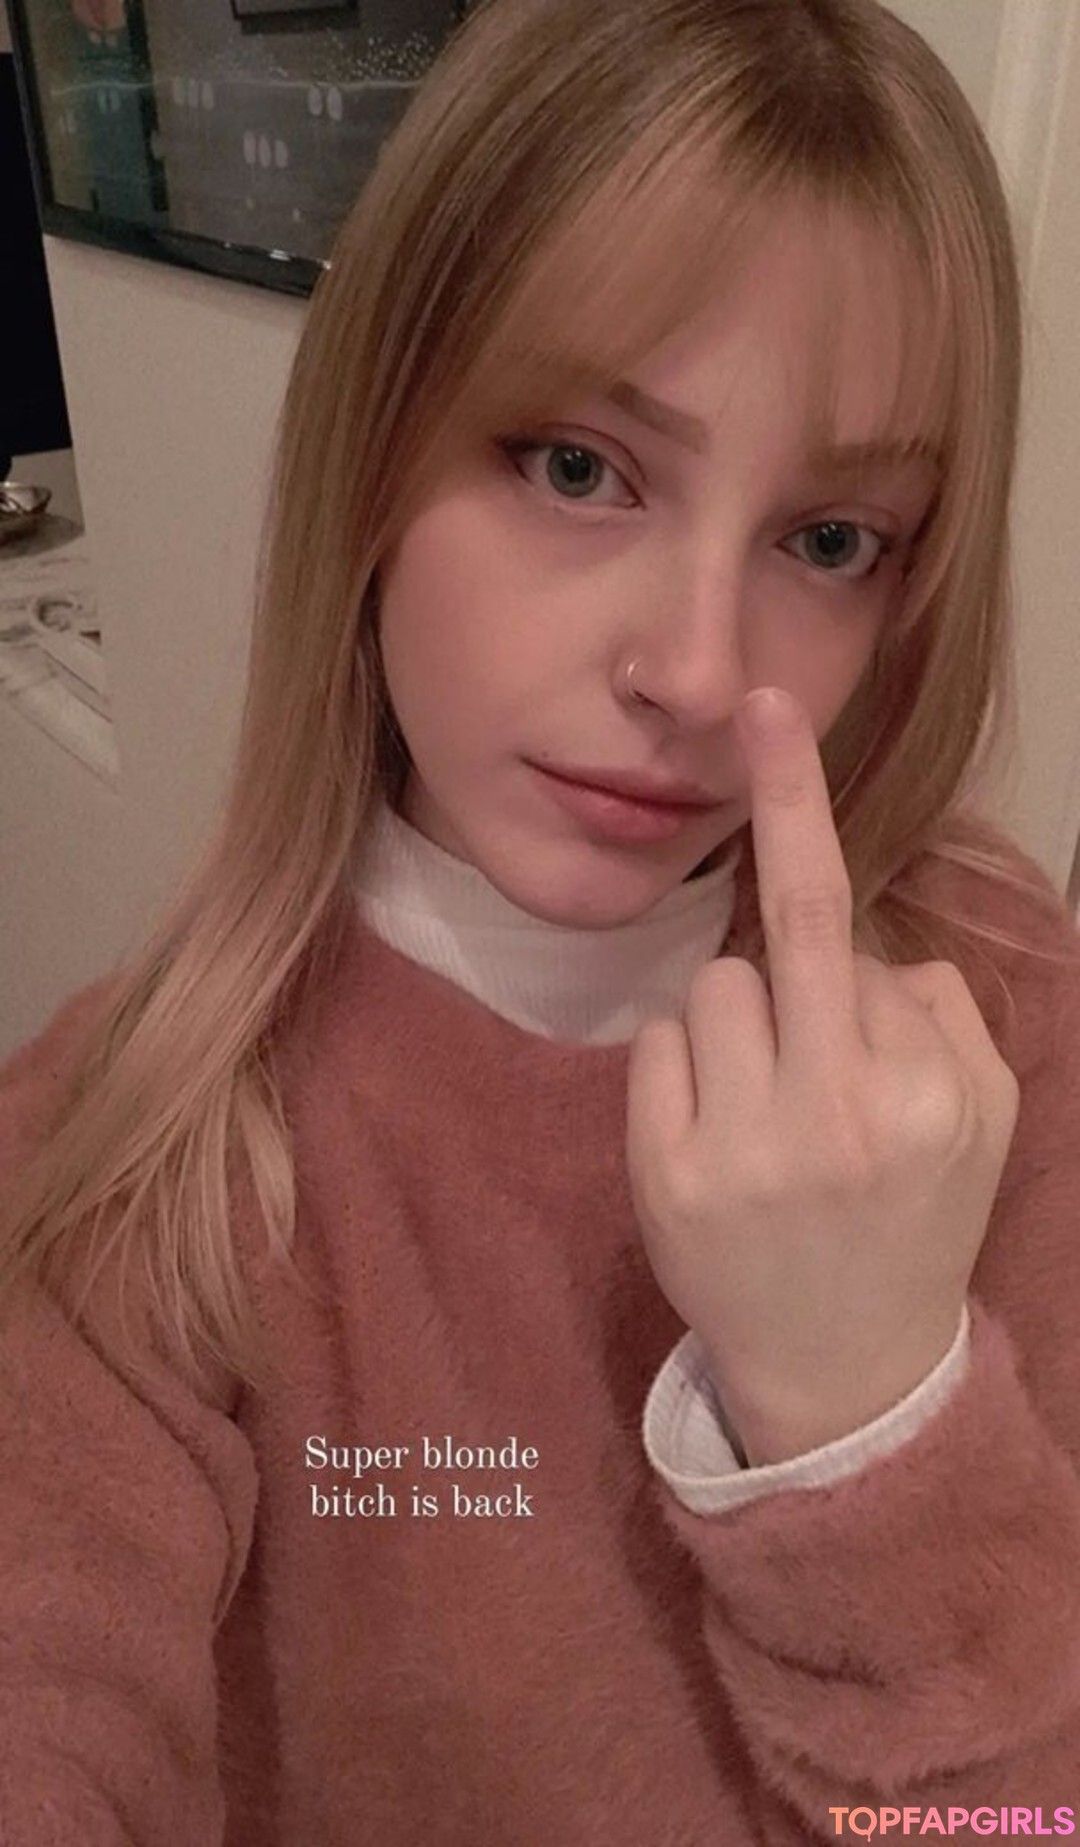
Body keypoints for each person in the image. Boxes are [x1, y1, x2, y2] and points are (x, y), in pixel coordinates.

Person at [2, 0, 1079, 1839]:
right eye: (580, 467)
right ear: (373, 454)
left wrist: (871, 1417)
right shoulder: (138, 1161)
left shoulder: (996, 1018)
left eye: (830, 539)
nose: (696, 673)